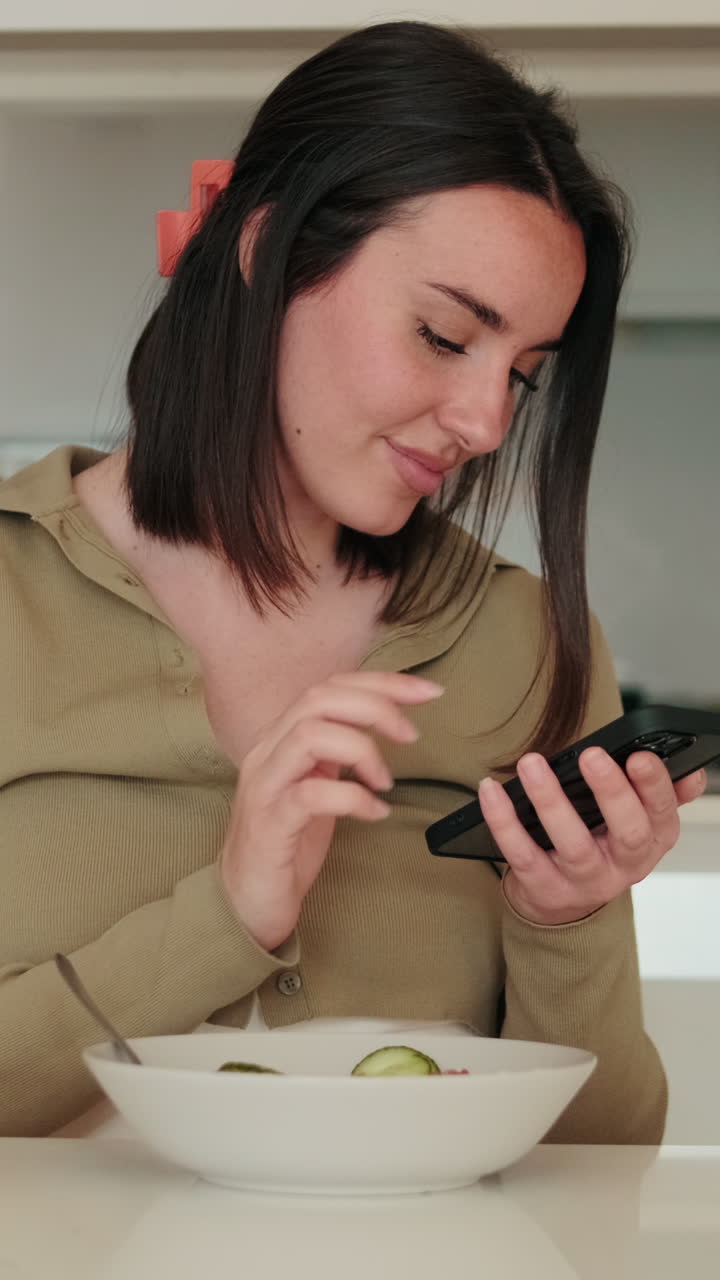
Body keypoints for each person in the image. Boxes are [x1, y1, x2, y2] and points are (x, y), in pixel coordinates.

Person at [0, 20, 706, 1140]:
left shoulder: (519, 639)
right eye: (442, 333)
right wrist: (226, 912)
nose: (486, 420)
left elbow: (601, 1171)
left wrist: (564, 918)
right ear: (266, 248)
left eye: (523, 374)